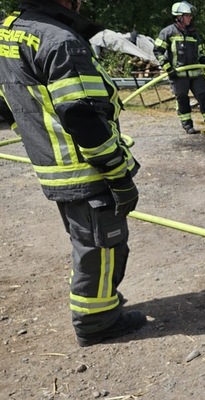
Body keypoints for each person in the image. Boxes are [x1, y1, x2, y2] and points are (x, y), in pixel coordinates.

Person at [0, 0, 146, 346]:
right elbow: (83, 117)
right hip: (84, 169)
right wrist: (118, 174)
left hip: (54, 164)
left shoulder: (9, 31)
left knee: (86, 240)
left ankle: (96, 297)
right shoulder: (59, 41)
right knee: (102, 245)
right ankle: (97, 321)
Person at [154, 1, 205, 134]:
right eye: (187, 15)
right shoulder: (168, 32)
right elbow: (158, 51)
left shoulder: (193, 33)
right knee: (182, 100)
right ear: (179, 17)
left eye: (190, 16)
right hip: (179, 75)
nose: (190, 18)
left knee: (204, 98)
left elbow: (199, 52)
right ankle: (187, 125)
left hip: (196, 74)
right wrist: (168, 68)